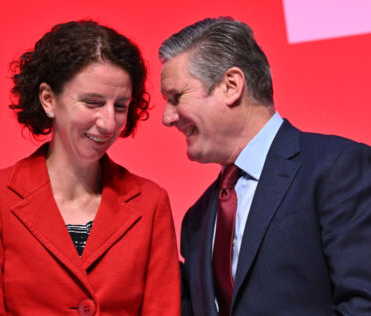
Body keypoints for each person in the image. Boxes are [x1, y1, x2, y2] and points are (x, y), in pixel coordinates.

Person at [0, 20, 180, 315]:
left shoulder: (151, 203)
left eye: (121, 106)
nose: (109, 122)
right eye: (92, 102)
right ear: (48, 99)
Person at [159, 16, 371, 316]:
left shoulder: (337, 169)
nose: (167, 117)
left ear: (231, 86)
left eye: (176, 97)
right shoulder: (196, 219)